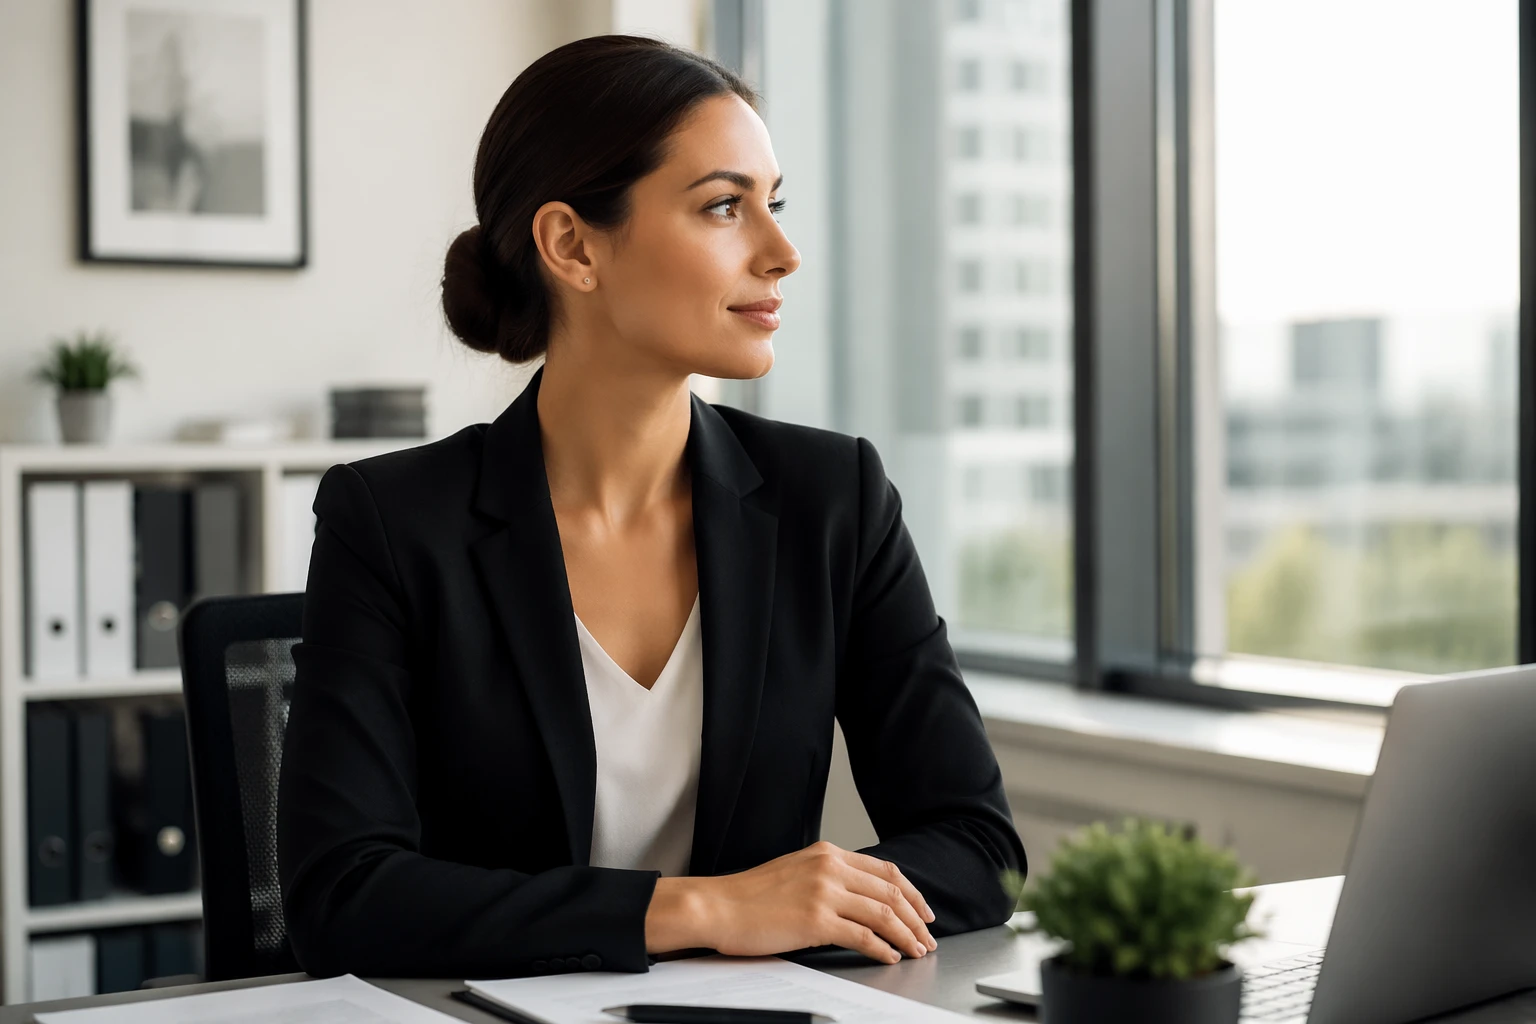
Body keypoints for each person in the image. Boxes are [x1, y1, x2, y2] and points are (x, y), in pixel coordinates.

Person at [276, 33, 1025, 981]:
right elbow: (342, 896)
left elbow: (975, 846)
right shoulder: (391, 521)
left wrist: (809, 907)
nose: (783, 253)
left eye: (774, 204)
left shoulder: (836, 500)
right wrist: (705, 907)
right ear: (573, 246)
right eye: (724, 207)